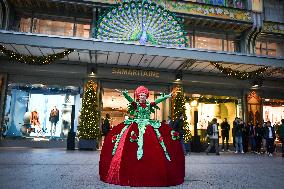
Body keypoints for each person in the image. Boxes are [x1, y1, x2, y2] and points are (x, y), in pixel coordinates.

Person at [99, 86, 184, 187]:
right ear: (138, 97)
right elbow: (130, 100)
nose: (142, 97)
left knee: (155, 144)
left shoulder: (149, 104)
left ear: (146, 96)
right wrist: (125, 94)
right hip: (136, 124)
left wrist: (167, 96)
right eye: (140, 95)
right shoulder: (136, 104)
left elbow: (157, 101)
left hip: (148, 124)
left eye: (144, 95)